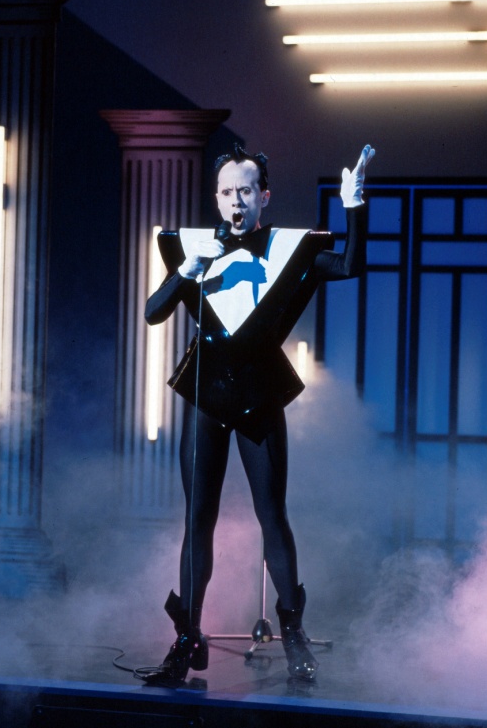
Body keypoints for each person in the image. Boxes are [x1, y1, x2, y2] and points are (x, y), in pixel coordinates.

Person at [143, 143, 375, 684]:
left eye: (245, 191)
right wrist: (185, 273)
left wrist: (354, 205)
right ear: (217, 198)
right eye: (227, 192)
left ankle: (293, 635)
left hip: (260, 395)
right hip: (205, 394)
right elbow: (153, 313)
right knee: (197, 520)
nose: (236, 201)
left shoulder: (290, 249)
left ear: (263, 196)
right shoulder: (193, 246)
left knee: (272, 516)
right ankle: (187, 638)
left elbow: (350, 264)